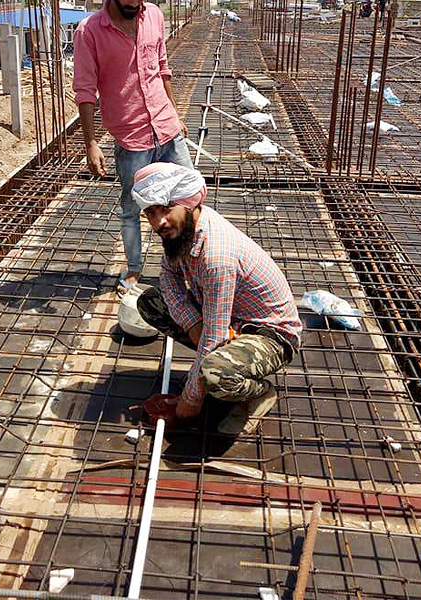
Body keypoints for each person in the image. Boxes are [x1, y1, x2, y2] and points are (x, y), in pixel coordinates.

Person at [131, 163, 302, 435]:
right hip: (228, 317)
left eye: (166, 209)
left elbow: (214, 334)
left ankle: (259, 393)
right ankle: (221, 361)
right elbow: (167, 275)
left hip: (269, 335)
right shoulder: (185, 229)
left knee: (215, 374)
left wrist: (190, 399)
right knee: (151, 302)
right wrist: (191, 323)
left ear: (188, 203)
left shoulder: (216, 257)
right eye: (151, 212)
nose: (158, 222)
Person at [73, 0, 193, 294]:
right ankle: (135, 269)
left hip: (166, 127)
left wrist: (175, 114)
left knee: (189, 197)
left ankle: (188, 264)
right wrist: (90, 142)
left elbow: (162, 68)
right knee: (131, 209)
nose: (133, 4)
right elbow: (85, 89)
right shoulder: (89, 32)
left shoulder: (153, 14)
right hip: (131, 137)